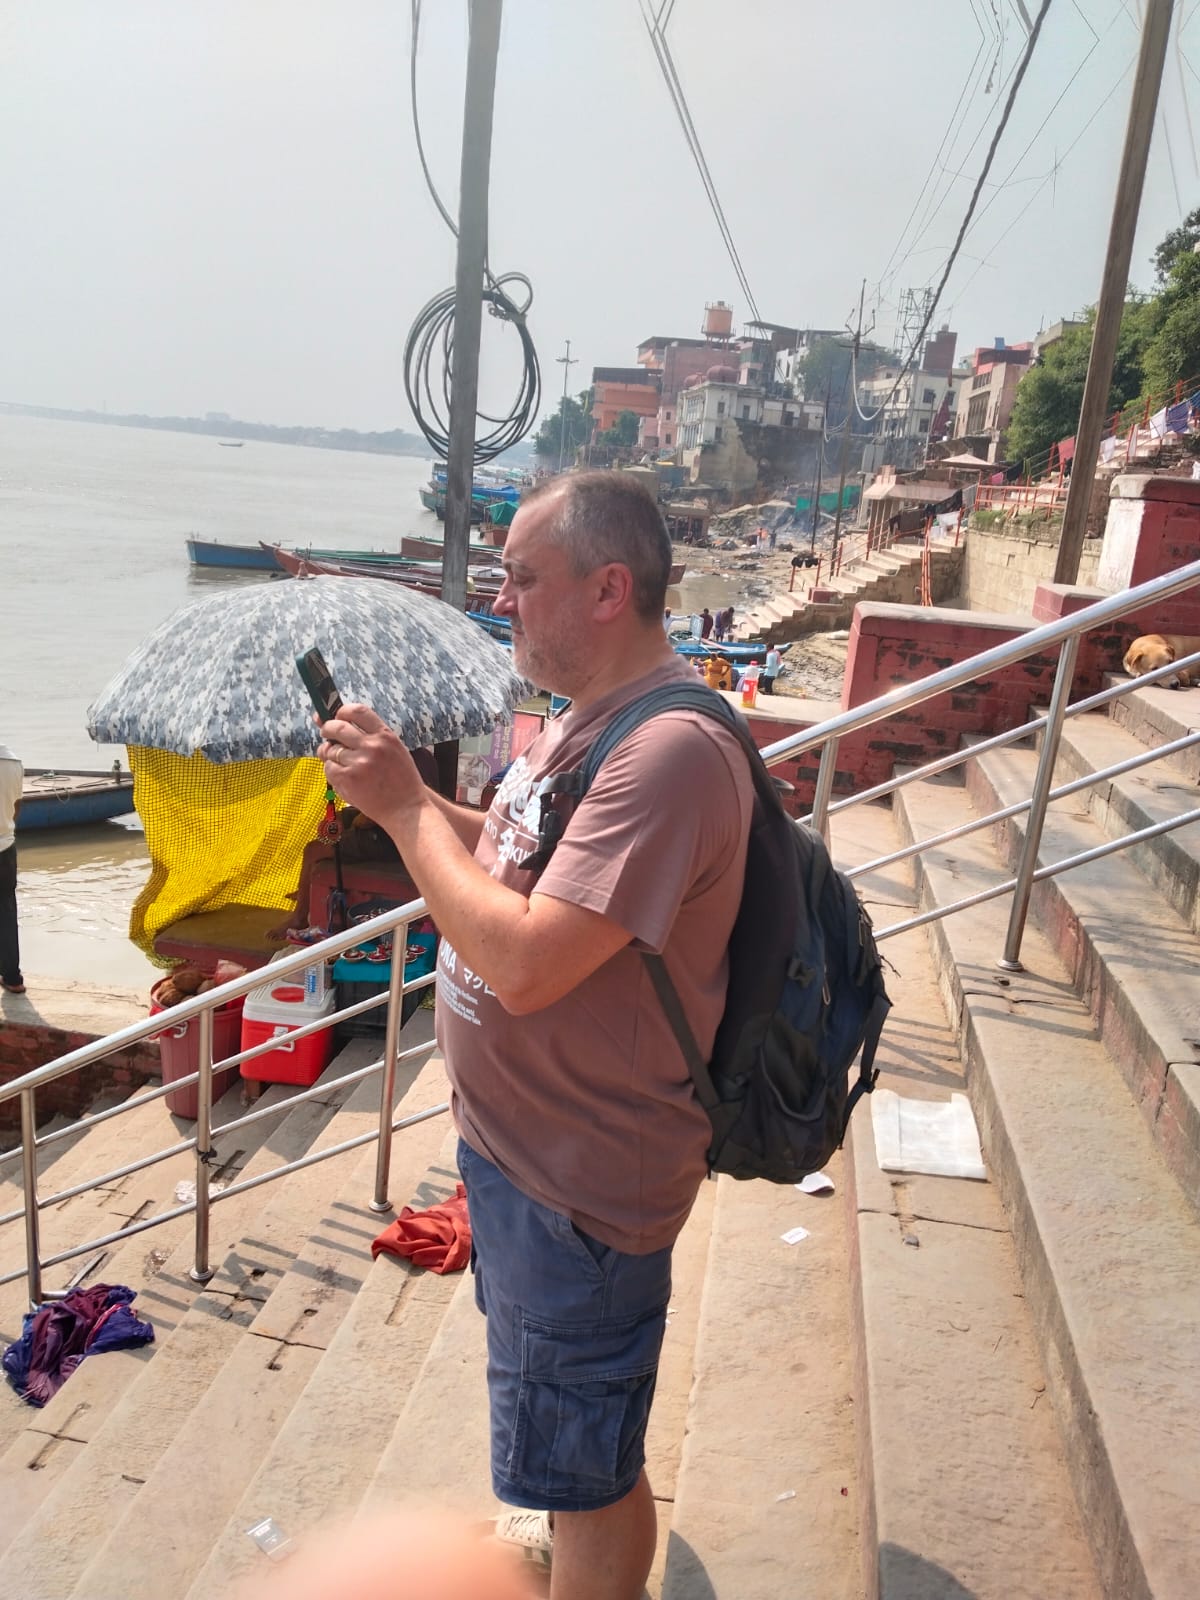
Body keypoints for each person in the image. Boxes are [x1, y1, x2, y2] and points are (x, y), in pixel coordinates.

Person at [316, 471, 753, 1600]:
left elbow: (520, 959)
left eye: (520, 577)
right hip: (521, 1166)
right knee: (571, 1442)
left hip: (585, 1192)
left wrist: (410, 810)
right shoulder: (582, 723)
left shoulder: (669, 754)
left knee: (590, 1469)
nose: (498, 598)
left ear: (609, 589)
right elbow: (509, 859)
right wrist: (402, 797)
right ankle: (566, 1530)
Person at [0, 741, 23, 994]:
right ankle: (12, 978)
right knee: (6, 914)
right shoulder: (13, 761)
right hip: (5, 849)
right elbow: (17, 806)